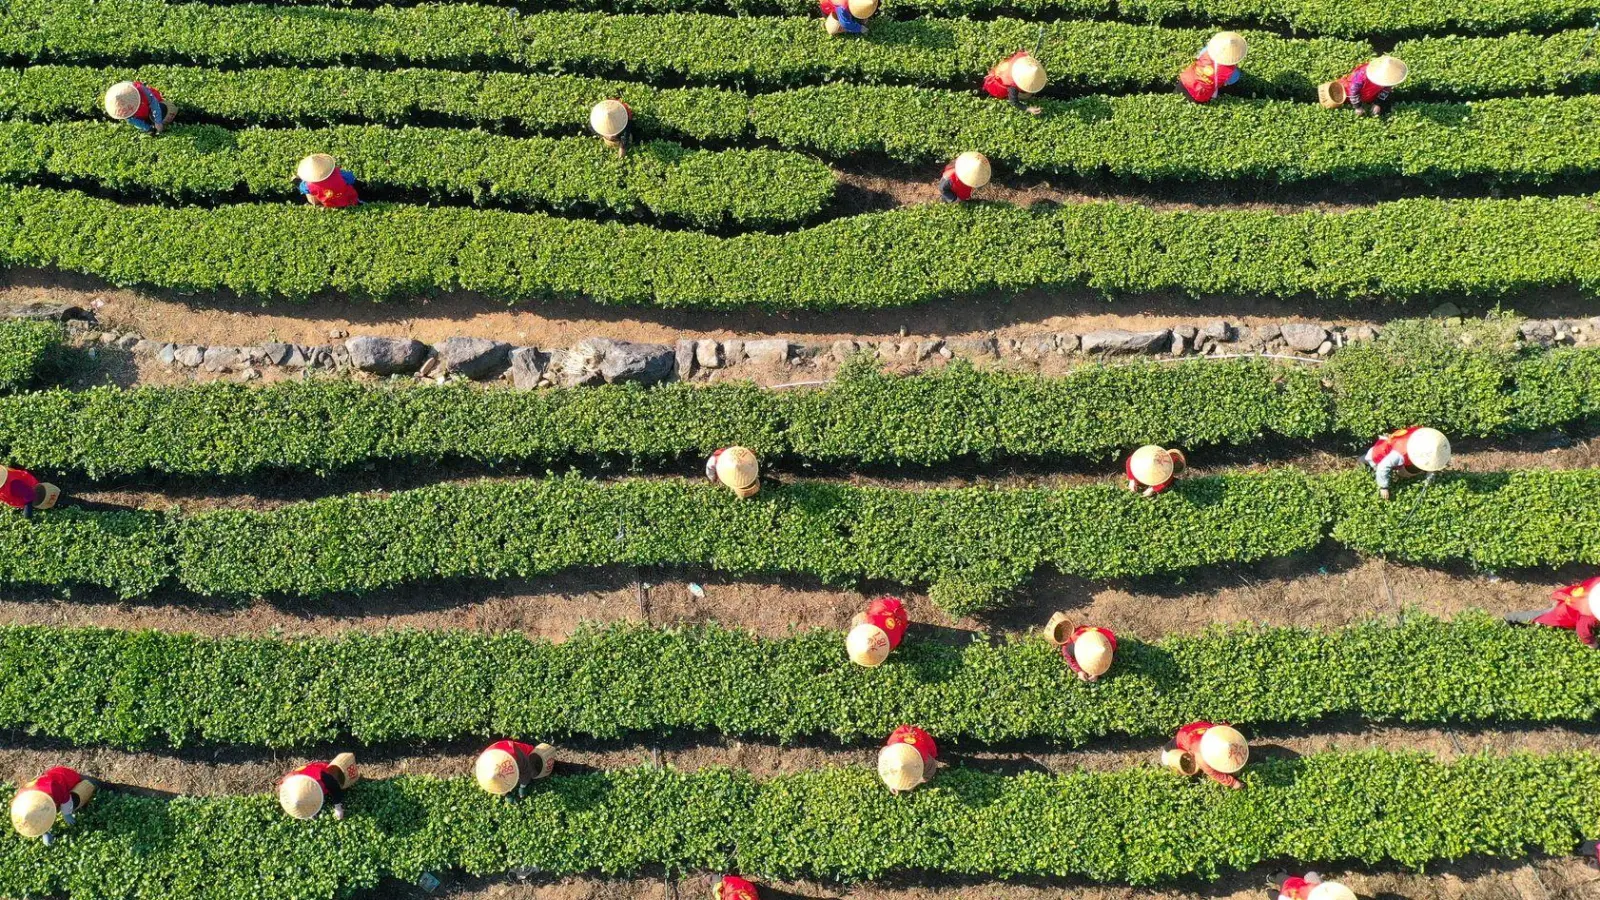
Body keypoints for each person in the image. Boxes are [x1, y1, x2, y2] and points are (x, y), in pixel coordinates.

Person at [9, 766, 97, 845]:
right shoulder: (21, 798)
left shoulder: (53, 788)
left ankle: (87, 784)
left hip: (68, 778)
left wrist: (67, 813)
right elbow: (35, 819)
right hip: (50, 784)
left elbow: (66, 800)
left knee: (74, 802)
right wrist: (44, 832)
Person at [1505, 575, 1600, 648]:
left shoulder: (1597, 583)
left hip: (1572, 596)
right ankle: (1511, 618)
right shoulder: (1588, 617)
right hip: (1563, 612)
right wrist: (1593, 644)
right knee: (1541, 617)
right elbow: (1583, 633)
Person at [1362, 426, 1450, 500]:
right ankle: (1359, 462)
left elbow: (1431, 461)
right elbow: (1383, 466)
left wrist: (1430, 476)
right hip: (1378, 455)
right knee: (1367, 461)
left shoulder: (1422, 434)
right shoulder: (1400, 454)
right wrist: (1383, 487)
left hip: (1393, 443)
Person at [278, 752, 359, 820]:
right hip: (305, 775)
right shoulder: (286, 783)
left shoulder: (322, 777)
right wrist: (309, 813)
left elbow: (335, 788)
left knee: (333, 781)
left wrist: (338, 807)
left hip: (320, 769)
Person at [1167, 721, 1248, 789]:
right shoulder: (1201, 757)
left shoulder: (1223, 733)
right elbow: (1213, 773)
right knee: (1169, 760)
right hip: (1183, 736)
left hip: (1199, 727)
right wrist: (1233, 783)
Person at [1178, 32, 1247, 104]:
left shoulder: (1207, 50)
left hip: (1186, 79)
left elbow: (1198, 57)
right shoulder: (1233, 73)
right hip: (1200, 93)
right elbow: (1227, 83)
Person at [475, 740, 556, 798]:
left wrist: (523, 786)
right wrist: (505, 793)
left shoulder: (516, 755)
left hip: (526, 755)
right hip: (511, 761)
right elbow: (495, 783)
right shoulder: (484, 762)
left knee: (532, 771)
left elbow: (526, 770)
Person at [1044, 616, 1115, 682]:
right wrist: (1079, 671)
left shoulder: (1110, 643)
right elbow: (1070, 660)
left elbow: (1105, 659)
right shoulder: (1068, 648)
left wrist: (1096, 672)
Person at [846, 595, 909, 666]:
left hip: (894, 616)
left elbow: (857, 619)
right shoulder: (870, 620)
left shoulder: (866, 620)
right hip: (892, 612)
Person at [1339, 56, 1407, 117]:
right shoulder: (1361, 74)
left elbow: (1386, 90)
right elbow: (1353, 92)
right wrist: (1358, 107)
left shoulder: (1391, 76)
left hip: (1372, 93)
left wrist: (1377, 104)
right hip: (1349, 93)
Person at [878, 724, 937, 793]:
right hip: (903, 731)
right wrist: (891, 784)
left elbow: (930, 770)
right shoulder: (886, 752)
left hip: (921, 738)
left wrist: (916, 782)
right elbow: (883, 763)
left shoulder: (926, 759)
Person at [103, 81, 175, 134]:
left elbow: (154, 102)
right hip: (142, 115)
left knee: (167, 111)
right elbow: (133, 120)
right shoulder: (123, 112)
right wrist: (148, 128)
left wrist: (158, 121)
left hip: (153, 106)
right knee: (147, 126)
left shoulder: (140, 89)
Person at [1279, 874, 1358, 900]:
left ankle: (1274, 876)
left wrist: (1320, 883)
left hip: (1291, 883)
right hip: (1287, 891)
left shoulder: (1314, 886)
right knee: (1275, 895)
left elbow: (1310, 875)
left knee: (1283, 878)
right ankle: (1270, 891)